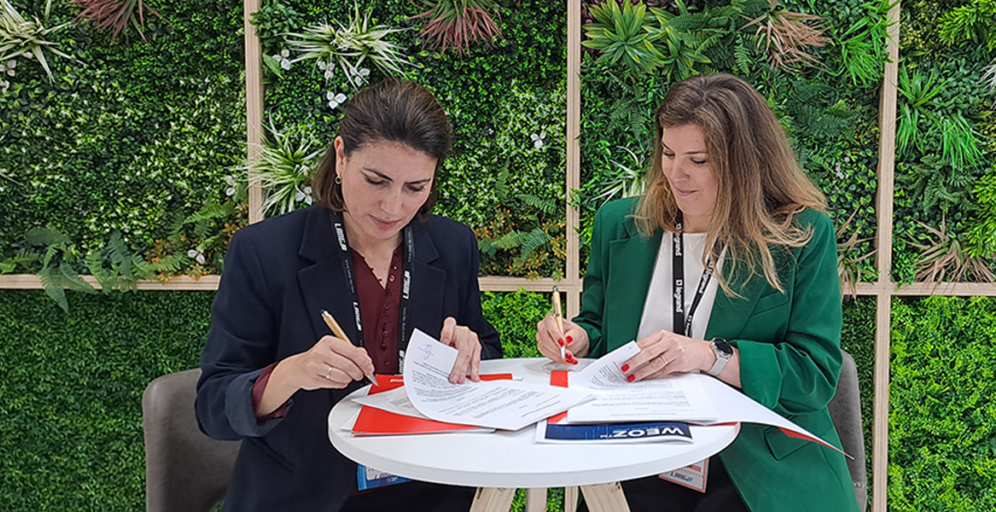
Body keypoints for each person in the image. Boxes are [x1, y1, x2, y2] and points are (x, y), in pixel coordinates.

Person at [536, 73, 859, 512]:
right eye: (668, 154)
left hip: (752, 460)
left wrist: (710, 355)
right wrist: (576, 337)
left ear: (745, 162)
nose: (676, 174)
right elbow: (596, 322)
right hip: (633, 452)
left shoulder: (799, 236)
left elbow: (815, 374)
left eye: (699, 160)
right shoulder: (619, 224)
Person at [195, 78, 502, 512]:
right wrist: (290, 373)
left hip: (430, 490)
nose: (393, 207)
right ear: (341, 156)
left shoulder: (453, 246)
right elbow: (212, 406)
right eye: (376, 180)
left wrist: (470, 353)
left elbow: (487, 350)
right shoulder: (263, 252)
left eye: (416, 187)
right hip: (303, 495)